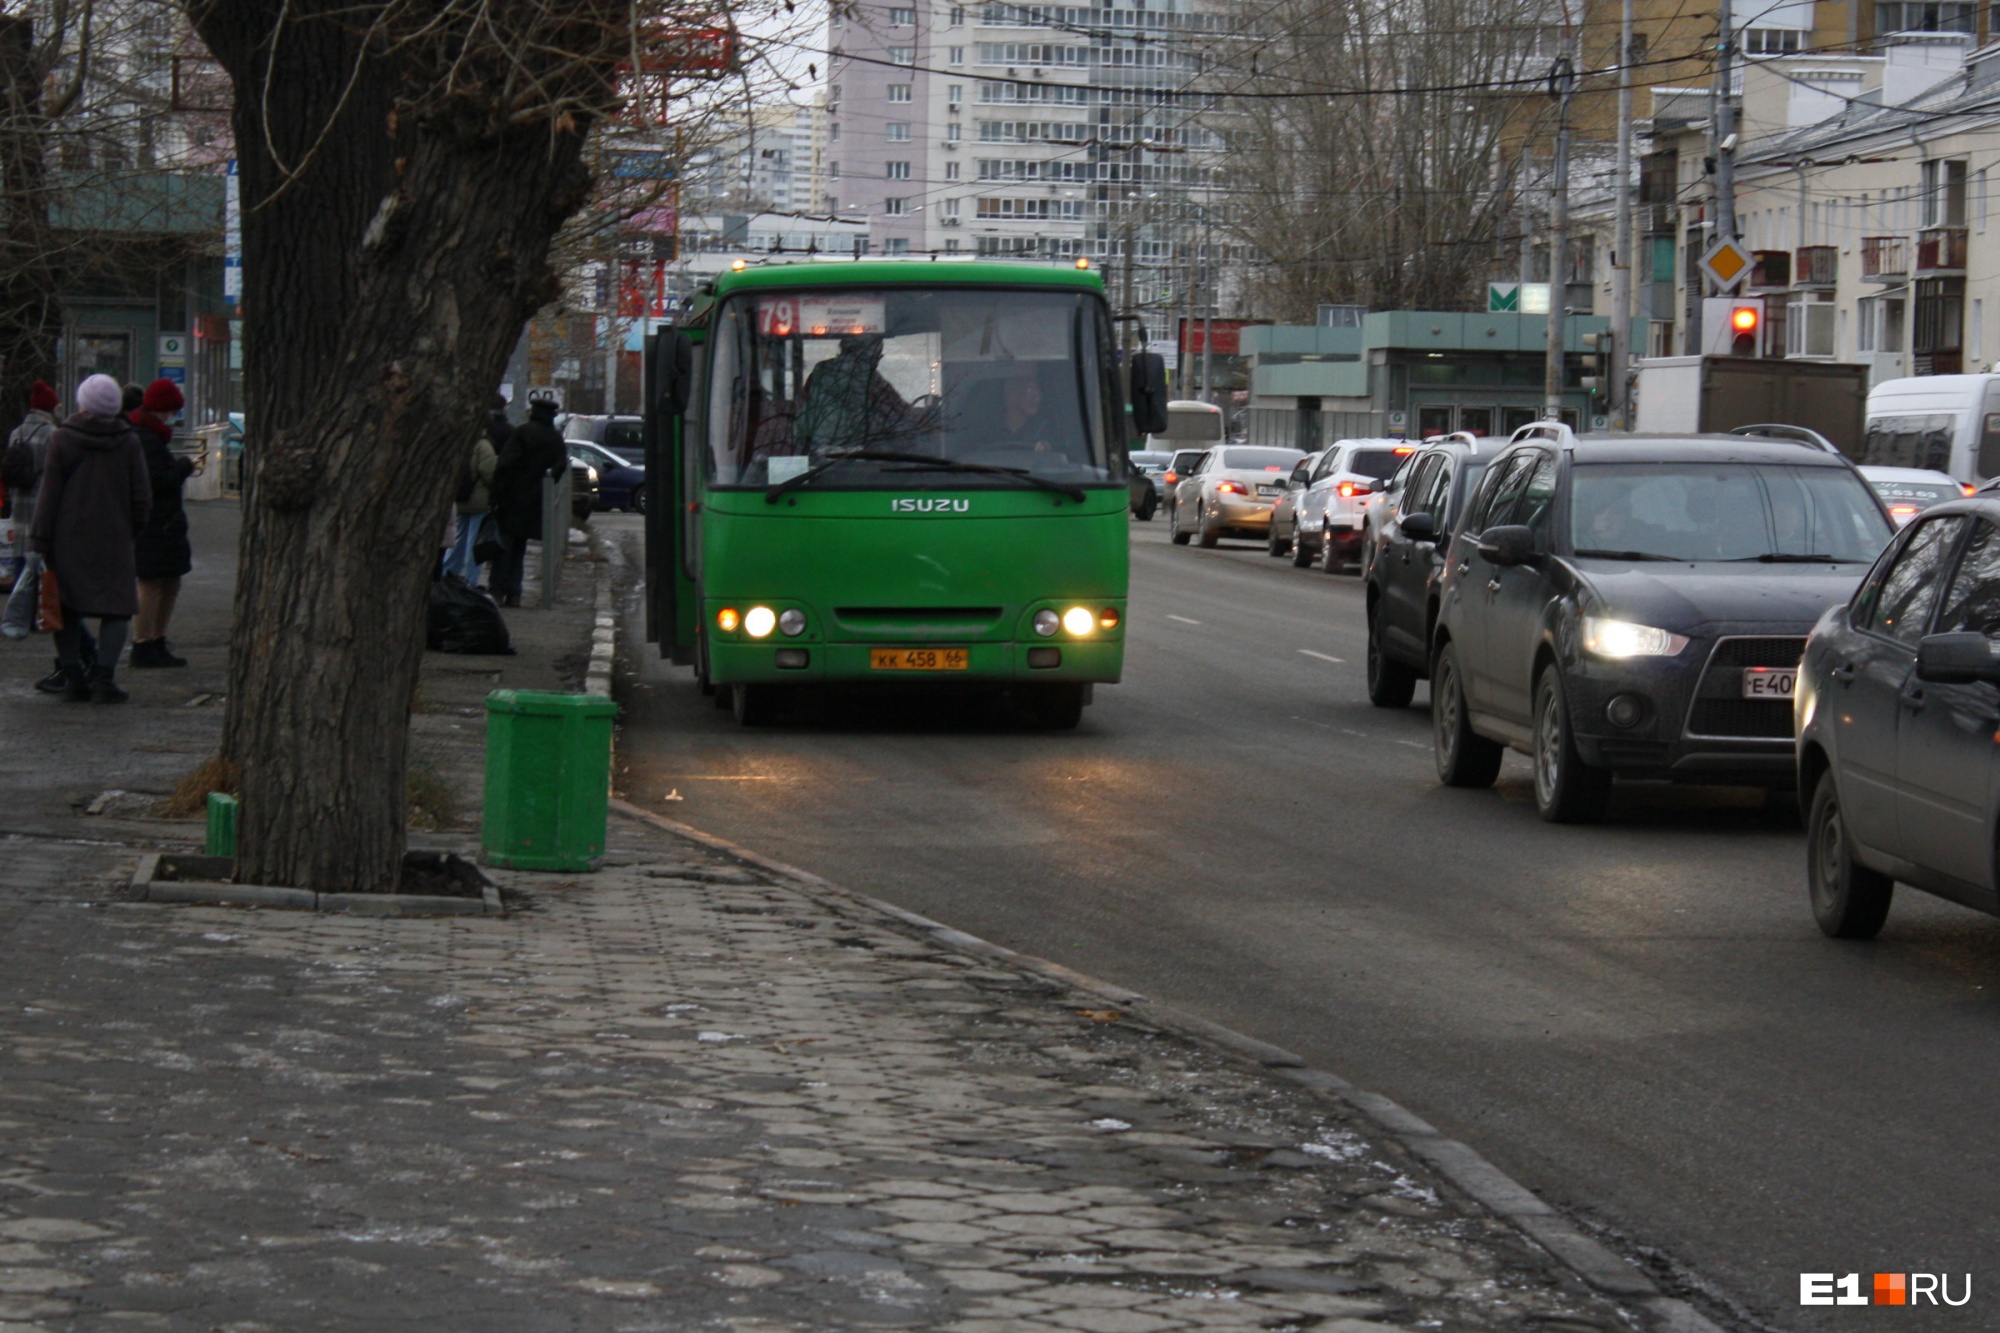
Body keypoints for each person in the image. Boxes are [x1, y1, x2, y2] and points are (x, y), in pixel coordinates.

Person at [32, 373, 150, 703]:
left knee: (66, 608)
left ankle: (73, 677)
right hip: (114, 538)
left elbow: (49, 495)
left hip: (67, 539)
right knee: (116, 610)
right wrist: (132, 529)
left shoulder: (63, 439)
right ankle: (104, 678)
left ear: (83, 402)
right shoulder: (128, 441)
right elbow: (142, 495)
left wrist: (39, 541)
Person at [0, 380, 93, 688]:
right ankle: (83, 656)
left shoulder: (16, 434)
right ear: (51, 408)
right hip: (47, 528)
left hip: (22, 523)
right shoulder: (54, 436)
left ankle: (69, 661)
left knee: (40, 597)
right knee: (55, 600)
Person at [128, 378, 195, 667]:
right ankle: (145, 643)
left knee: (167, 582)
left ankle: (154, 640)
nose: (172, 417)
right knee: (154, 583)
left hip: (162, 524)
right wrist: (183, 467)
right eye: (170, 411)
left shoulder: (146, 436)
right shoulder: (147, 439)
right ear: (160, 409)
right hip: (156, 524)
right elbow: (158, 481)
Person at [486, 395, 568, 607]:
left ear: (533, 412)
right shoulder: (555, 438)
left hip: (512, 498)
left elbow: (505, 465)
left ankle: (497, 590)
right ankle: (515, 592)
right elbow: (560, 468)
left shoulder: (522, 433)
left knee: (503, 546)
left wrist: (495, 495)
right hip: (537, 501)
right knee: (520, 548)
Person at [444, 396, 504, 584]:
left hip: (461, 498)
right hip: (478, 501)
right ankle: (470, 581)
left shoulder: (461, 442)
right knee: (474, 545)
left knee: (457, 542)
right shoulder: (483, 445)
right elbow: (489, 472)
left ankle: (448, 576)